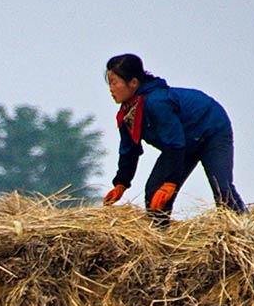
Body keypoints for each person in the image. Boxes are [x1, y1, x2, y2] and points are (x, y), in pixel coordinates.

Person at [102, 53, 246, 221]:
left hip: (211, 129)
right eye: (109, 83)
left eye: (114, 83)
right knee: (155, 191)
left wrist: (171, 182)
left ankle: (242, 229)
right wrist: (121, 183)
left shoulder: (156, 102)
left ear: (133, 83)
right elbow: (129, 150)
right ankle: (160, 237)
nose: (110, 89)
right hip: (182, 142)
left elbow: (174, 144)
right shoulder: (127, 114)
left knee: (222, 189)